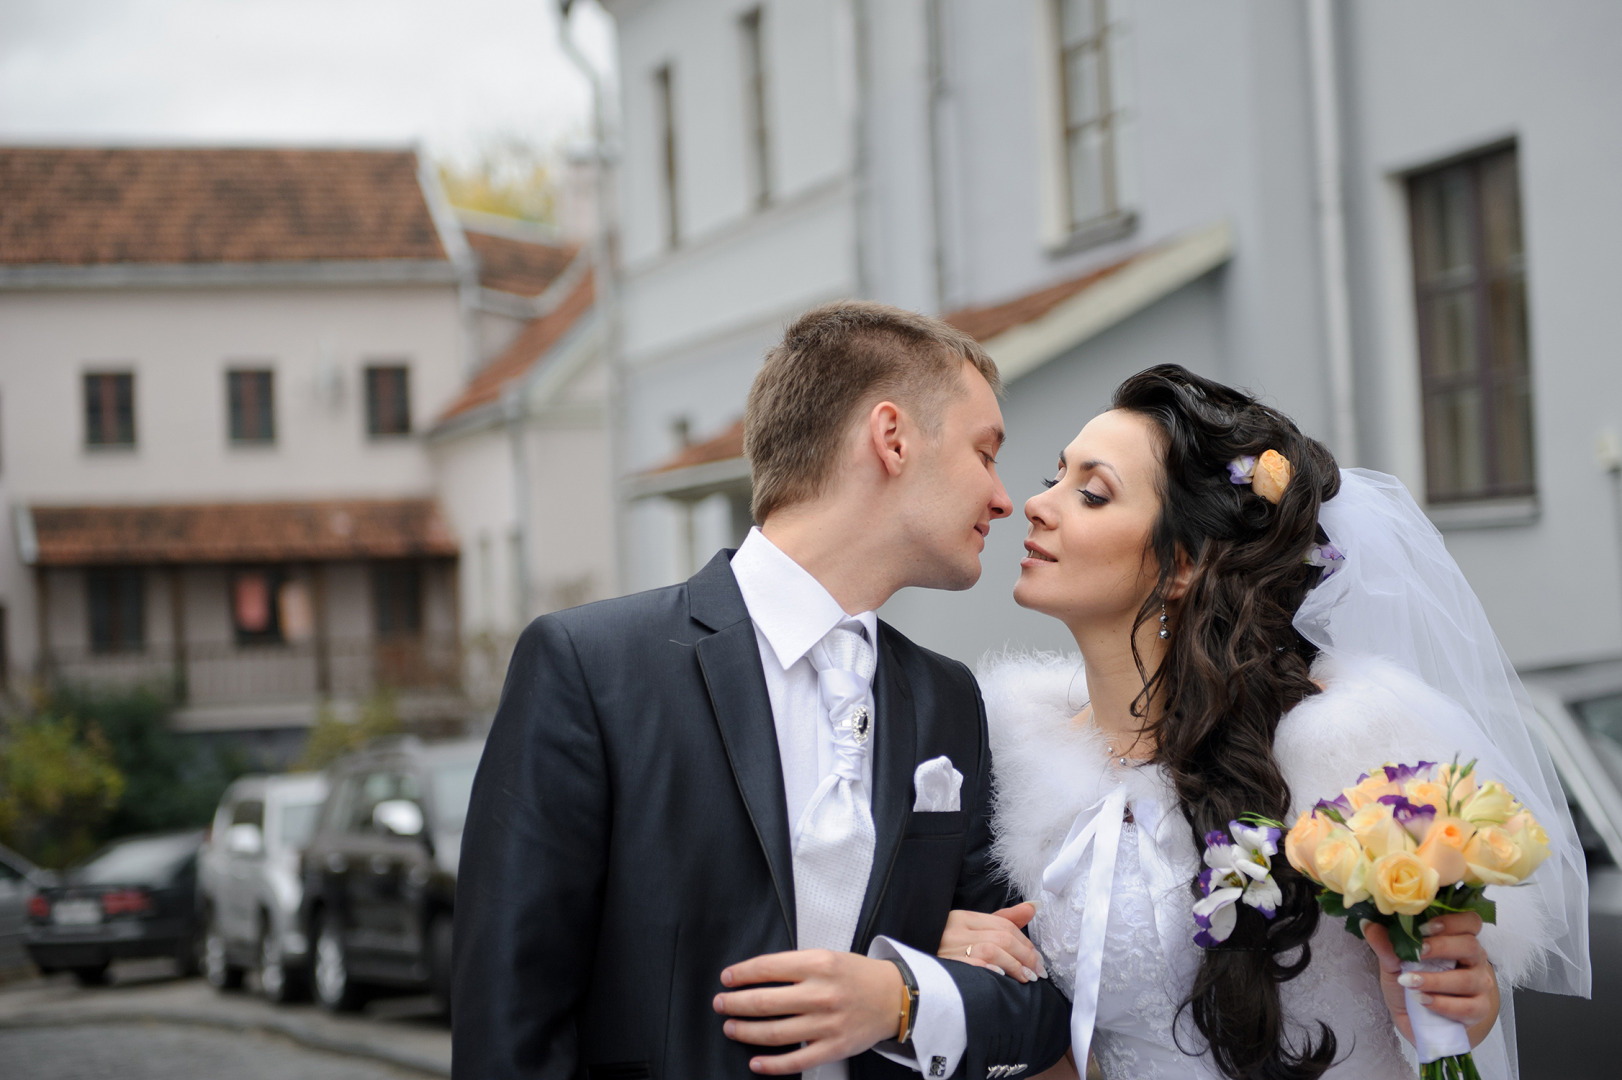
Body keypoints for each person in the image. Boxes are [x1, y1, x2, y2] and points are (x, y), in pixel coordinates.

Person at [453, 301, 1072, 1079]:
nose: (1004, 499)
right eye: (984, 453)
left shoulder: (948, 702)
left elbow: (1034, 997)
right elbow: (508, 1022)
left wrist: (904, 995)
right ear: (892, 438)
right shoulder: (592, 669)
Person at [937, 365, 1588, 1079]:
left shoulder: (1343, 745)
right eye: (1054, 477)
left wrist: (1456, 998)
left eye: (1092, 493)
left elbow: (1451, 998)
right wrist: (970, 964)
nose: (1035, 505)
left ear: (1182, 565)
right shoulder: (1015, 753)